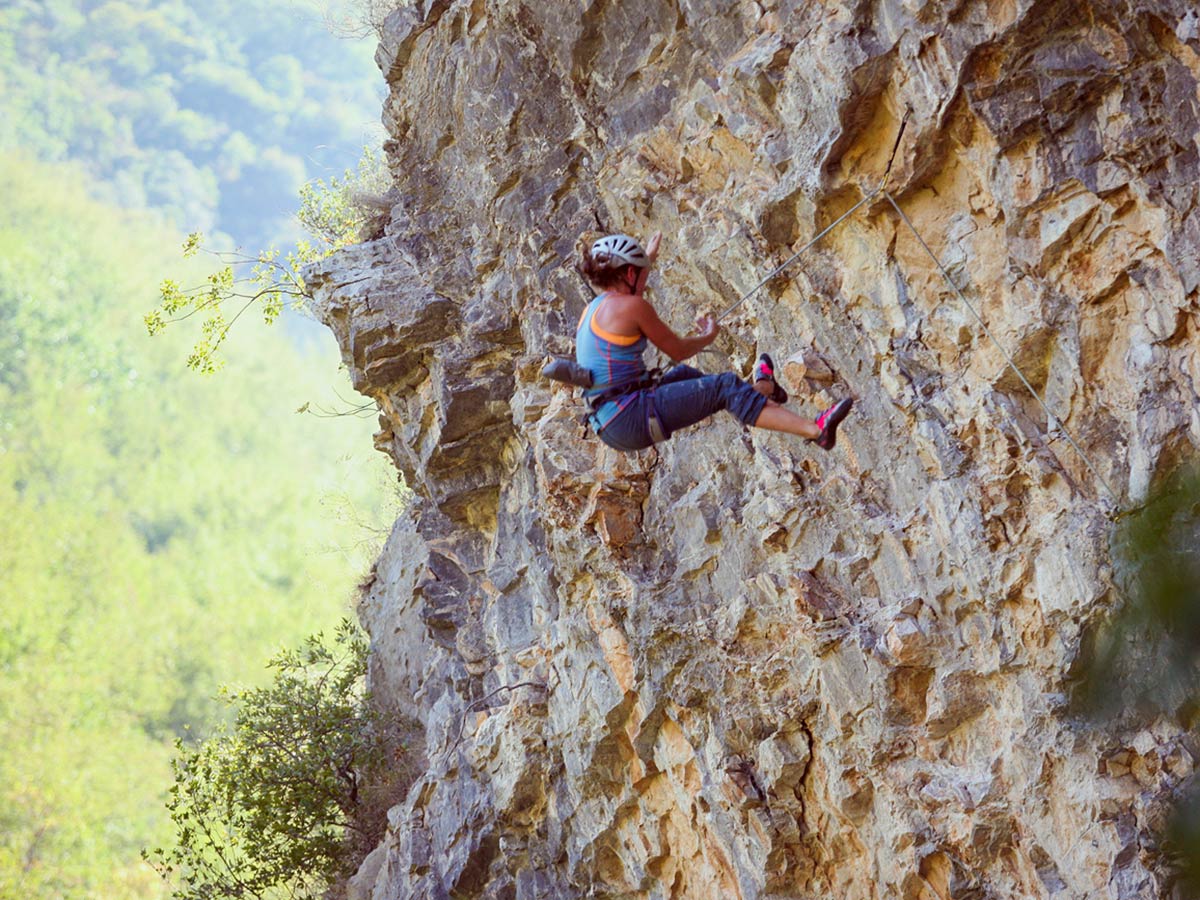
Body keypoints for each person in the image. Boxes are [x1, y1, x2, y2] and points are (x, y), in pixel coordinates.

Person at [574, 232, 853, 453]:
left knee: (691, 379)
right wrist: (709, 335)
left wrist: (646, 258)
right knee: (724, 386)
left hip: (610, 422)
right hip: (629, 415)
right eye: (641, 271)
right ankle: (817, 430)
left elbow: (631, 289)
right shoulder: (632, 306)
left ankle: (764, 389)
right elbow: (679, 350)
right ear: (630, 274)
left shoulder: (593, 310)